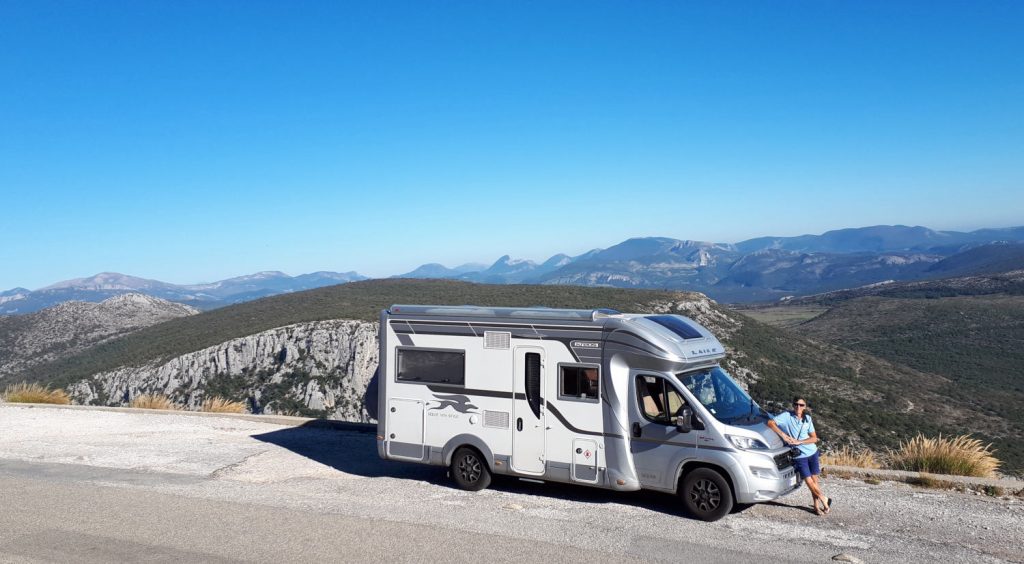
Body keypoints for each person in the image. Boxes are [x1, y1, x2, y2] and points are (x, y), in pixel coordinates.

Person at [767, 396, 832, 515]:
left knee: (814, 481)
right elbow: (770, 423)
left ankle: (817, 507)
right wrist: (783, 435)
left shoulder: (807, 418)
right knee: (808, 481)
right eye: (796, 404)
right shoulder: (786, 416)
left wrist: (800, 441)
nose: (798, 407)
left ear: (805, 407)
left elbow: (814, 438)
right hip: (799, 455)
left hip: (812, 452)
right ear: (793, 405)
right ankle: (824, 499)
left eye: (801, 405)